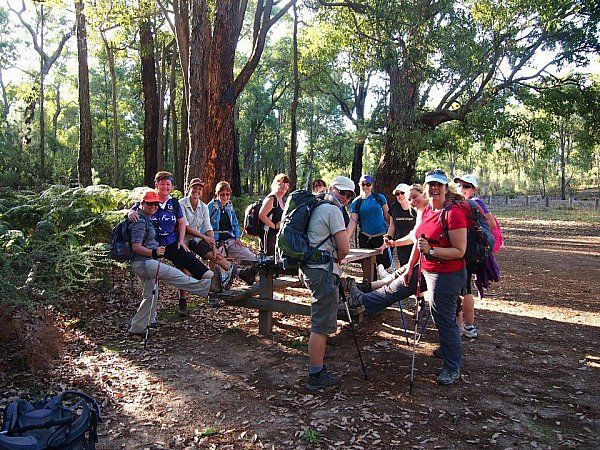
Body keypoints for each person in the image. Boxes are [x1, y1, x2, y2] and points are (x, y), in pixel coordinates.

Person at [403, 169, 468, 385]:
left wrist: (431, 251)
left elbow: (460, 251)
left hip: (448, 274)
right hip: (429, 271)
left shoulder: (454, 213)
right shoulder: (429, 210)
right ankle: (448, 353)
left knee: (445, 318)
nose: (434, 188)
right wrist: (411, 266)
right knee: (439, 315)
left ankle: (452, 368)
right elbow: (419, 240)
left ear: (446, 188)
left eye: (439, 185)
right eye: (431, 185)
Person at [128, 171, 221, 317]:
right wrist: (129, 212)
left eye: (168, 184)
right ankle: (150, 318)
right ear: (156, 185)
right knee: (153, 285)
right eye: (162, 183)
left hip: (171, 242)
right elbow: (136, 209)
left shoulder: (174, 203)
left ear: (172, 187)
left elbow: (182, 222)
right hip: (151, 246)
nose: (165, 187)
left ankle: (213, 279)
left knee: (189, 259)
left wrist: (181, 240)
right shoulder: (149, 200)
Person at [302, 175, 355, 391]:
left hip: (311, 268)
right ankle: (315, 374)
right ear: (332, 188)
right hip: (323, 271)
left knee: (320, 321)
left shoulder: (316, 206)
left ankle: (318, 369)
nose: (344, 197)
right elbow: (344, 248)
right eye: (342, 192)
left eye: (349, 195)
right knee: (321, 325)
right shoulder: (332, 211)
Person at [453, 174, 497, 339]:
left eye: (466, 186)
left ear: (474, 189)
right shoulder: (465, 203)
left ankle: (465, 327)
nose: (462, 189)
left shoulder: (475, 203)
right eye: (460, 186)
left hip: (467, 252)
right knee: (465, 288)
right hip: (467, 251)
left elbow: (491, 224)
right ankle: (467, 327)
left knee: (463, 289)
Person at [180, 178, 237, 293]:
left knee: (216, 255)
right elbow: (186, 227)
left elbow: (208, 227)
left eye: (200, 189)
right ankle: (183, 299)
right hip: (182, 239)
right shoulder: (181, 204)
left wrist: (213, 245)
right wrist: (204, 237)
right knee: (185, 268)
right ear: (189, 189)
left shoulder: (204, 206)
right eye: (194, 188)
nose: (197, 191)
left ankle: (236, 272)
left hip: (196, 239)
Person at [208, 181, 258, 285]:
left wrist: (237, 237)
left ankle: (249, 277)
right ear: (217, 194)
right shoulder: (211, 206)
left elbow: (234, 223)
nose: (225, 197)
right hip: (216, 241)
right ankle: (217, 294)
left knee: (253, 259)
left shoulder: (229, 206)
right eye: (222, 194)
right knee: (217, 270)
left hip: (230, 239)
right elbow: (206, 224)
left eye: (227, 194)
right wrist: (210, 242)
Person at [346, 174, 391, 280]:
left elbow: (387, 216)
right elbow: (352, 223)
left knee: (383, 266)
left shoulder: (379, 198)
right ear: (359, 185)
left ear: (372, 185)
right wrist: (345, 239)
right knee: (368, 268)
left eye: (368, 184)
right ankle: (370, 290)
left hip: (381, 236)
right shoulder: (356, 203)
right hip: (365, 238)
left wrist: (392, 233)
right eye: (363, 184)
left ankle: (384, 292)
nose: (365, 187)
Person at [258, 173, 290, 256]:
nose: (285, 186)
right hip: (268, 234)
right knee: (267, 258)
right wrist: (274, 226)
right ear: (276, 184)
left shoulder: (282, 199)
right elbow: (262, 215)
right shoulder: (272, 198)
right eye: (282, 183)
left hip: (277, 235)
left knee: (275, 259)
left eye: (287, 184)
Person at [386, 183, 417, 267]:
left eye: (402, 193)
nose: (400, 196)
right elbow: (392, 226)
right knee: (404, 268)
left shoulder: (416, 208)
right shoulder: (394, 207)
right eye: (397, 194)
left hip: (415, 245)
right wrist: (388, 237)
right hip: (401, 245)